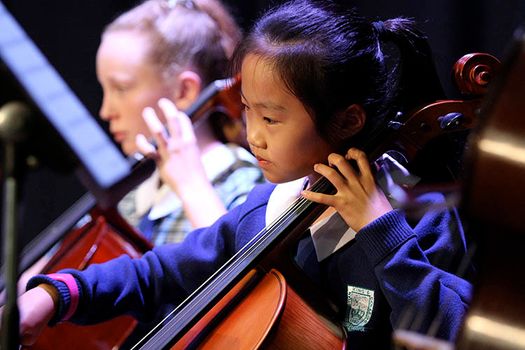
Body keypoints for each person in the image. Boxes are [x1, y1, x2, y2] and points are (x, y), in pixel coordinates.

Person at [6, 0, 473, 348]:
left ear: (347, 121)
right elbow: (158, 272)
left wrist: (380, 232)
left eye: (271, 119)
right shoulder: (271, 207)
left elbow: (453, 329)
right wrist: (54, 294)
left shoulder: (417, 218)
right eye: (247, 110)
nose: (253, 135)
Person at [95, 0, 264, 245]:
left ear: (184, 92)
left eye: (121, 89)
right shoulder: (131, 198)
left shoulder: (242, 183)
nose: (105, 111)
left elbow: (247, 274)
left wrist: (190, 187)